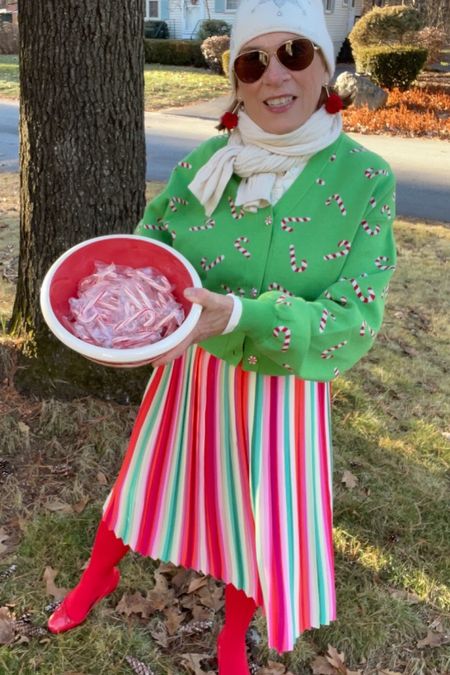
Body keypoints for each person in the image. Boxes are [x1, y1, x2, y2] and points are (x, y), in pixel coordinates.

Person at [47, 0, 397, 671]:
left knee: (254, 512)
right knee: (143, 479)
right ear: (237, 80)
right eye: (252, 61)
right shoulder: (208, 162)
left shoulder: (366, 181)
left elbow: (355, 316)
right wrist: (127, 330)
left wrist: (242, 316)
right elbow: (153, 250)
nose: (275, 76)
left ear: (325, 67)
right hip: (193, 367)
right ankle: (100, 574)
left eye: (294, 54)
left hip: (283, 389)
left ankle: (234, 630)